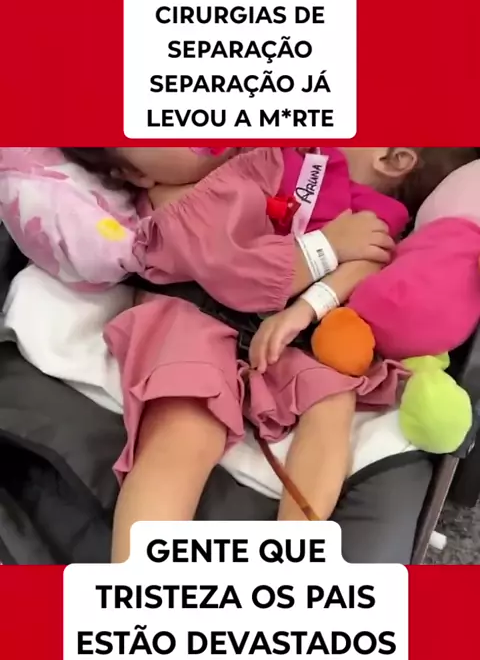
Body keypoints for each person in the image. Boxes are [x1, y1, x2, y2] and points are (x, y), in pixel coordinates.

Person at [59, 145, 476, 561]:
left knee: (333, 401)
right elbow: (202, 236)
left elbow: (371, 259)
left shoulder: (370, 208)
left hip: (291, 328)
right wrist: (323, 249)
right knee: (184, 427)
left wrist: (305, 308)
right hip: (193, 305)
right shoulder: (260, 159)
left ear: (392, 159)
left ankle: (294, 555)